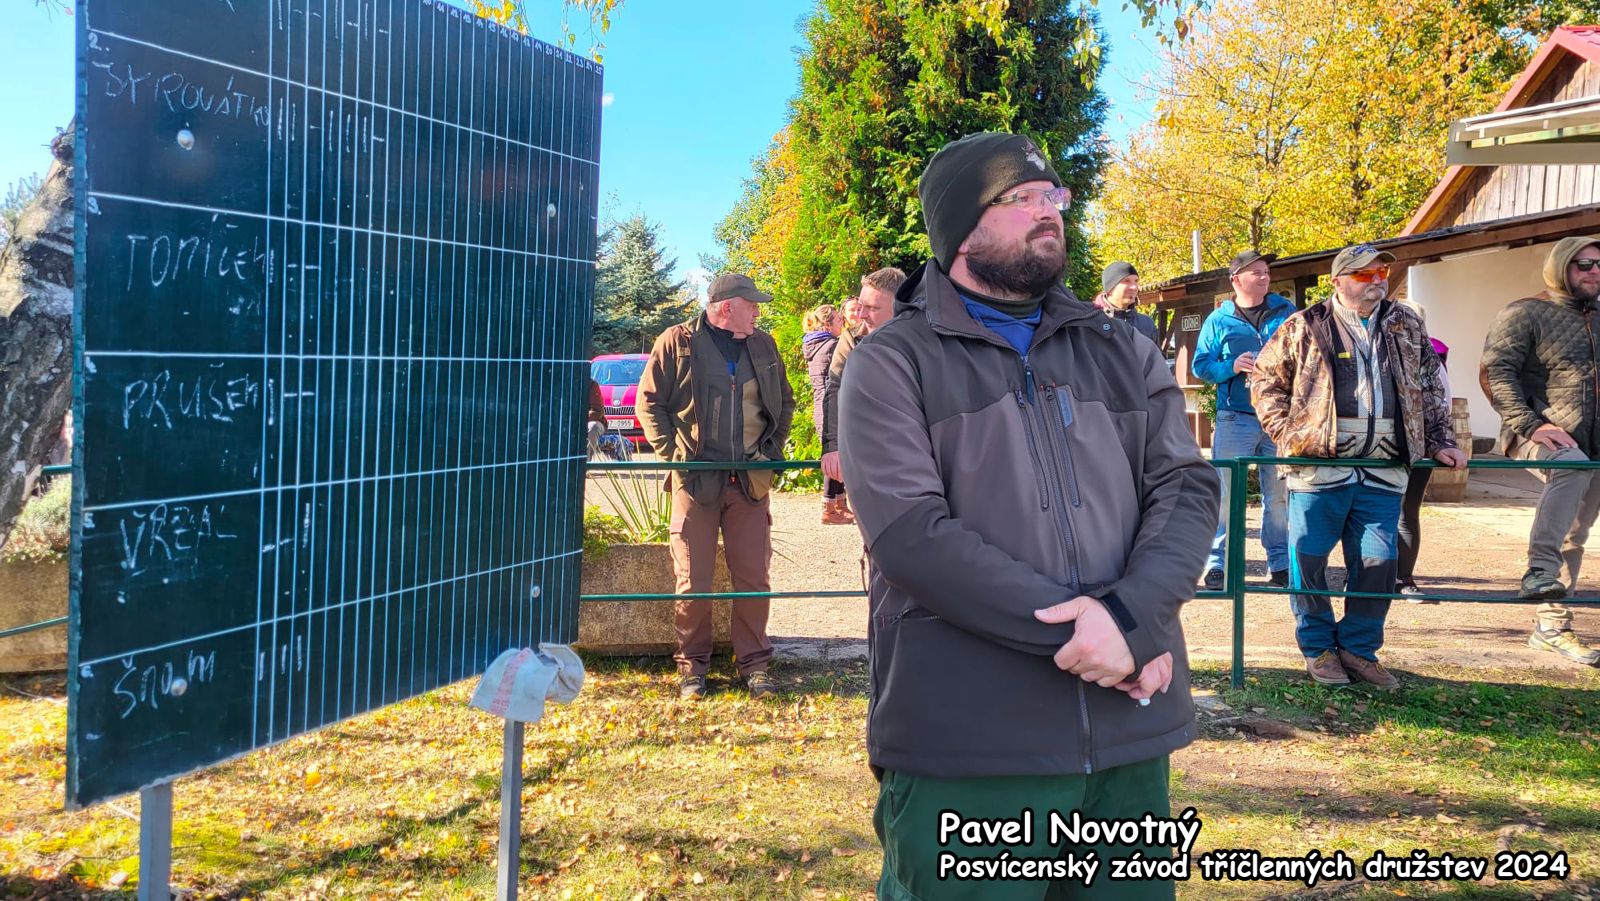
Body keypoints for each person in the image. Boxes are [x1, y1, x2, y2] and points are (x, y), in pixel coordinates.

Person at [839, 132, 1220, 899]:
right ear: (958, 227)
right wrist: (1104, 636)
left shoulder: (1120, 348)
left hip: (1128, 740)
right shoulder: (892, 362)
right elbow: (912, 537)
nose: (1049, 212)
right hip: (970, 746)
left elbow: (1185, 487)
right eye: (1020, 198)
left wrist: (1134, 619)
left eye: (1054, 196)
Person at [1251, 245, 1465, 689]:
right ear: (1338, 282)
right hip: (1318, 467)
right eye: (1364, 275)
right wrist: (1290, 435)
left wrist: (1441, 439)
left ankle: (1358, 650)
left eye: (1381, 272)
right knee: (1308, 561)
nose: (1377, 281)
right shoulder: (1304, 324)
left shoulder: (1406, 322)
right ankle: (1318, 649)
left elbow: (1430, 384)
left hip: (1384, 467)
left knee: (1378, 563)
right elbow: (1265, 380)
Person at [635, 273, 796, 700]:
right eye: (752, 304)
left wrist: (771, 454)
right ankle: (692, 670)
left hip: (750, 484)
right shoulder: (677, 342)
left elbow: (785, 401)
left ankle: (755, 667)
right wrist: (675, 456)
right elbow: (649, 403)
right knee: (693, 582)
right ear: (728, 307)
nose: (758, 311)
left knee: (754, 580)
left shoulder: (764, 345)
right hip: (695, 484)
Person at [1480, 236, 1600, 666]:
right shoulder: (1525, 312)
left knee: (1576, 534)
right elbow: (1496, 374)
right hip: (1536, 433)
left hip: (1593, 444)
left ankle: (1552, 627)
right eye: (1584, 264)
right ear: (1561, 266)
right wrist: (1532, 425)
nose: (1594, 271)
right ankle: (1539, 571)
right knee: (1571, 466)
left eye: (1599, 265)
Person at [1191, 251, 1296, 591]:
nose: (1265, 277)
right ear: (1236, 280)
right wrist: (1231, 366)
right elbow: (1200, 365)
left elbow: (1305, 355)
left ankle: (1280, 565)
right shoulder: (1218, 320)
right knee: (1225, 496)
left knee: (1278, 497)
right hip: (1235, 417)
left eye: (1266, 272)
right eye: (1256, 272)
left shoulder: (1286, 312)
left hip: (1278, 418)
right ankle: (1219, 565)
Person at [819, 267, 903, 491]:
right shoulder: (851, 338)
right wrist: (833, 446)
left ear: (900, 306)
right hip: (868, 457)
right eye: (861, 306)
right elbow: (835, 387)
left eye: (873, 308)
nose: (862, 315)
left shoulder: (925, 339)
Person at [1394, 300, 1449, 603]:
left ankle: (1404, 577)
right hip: (1382, 446)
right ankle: (1364, 575)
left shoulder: (1431, 356)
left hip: (1419, 446)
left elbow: (1443, 401)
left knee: (1406, 512)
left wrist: (1437, 441)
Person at [802, 304, 853, 524]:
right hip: (830, 406)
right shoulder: (832, 346)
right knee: (834, 454)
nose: (843, 323)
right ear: (827, 324)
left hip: (820, 405)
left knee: (836, 453)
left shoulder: (814, 345)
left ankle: (839, 503)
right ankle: (829, 507)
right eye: (839, 320)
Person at [1095, 261, 1159, 343]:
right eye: (1126, 281)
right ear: (1110, 288)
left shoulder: (1146, 323)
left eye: (1136, 281)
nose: (1134, 287)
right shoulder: (1092, 322)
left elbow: (1155, 351)